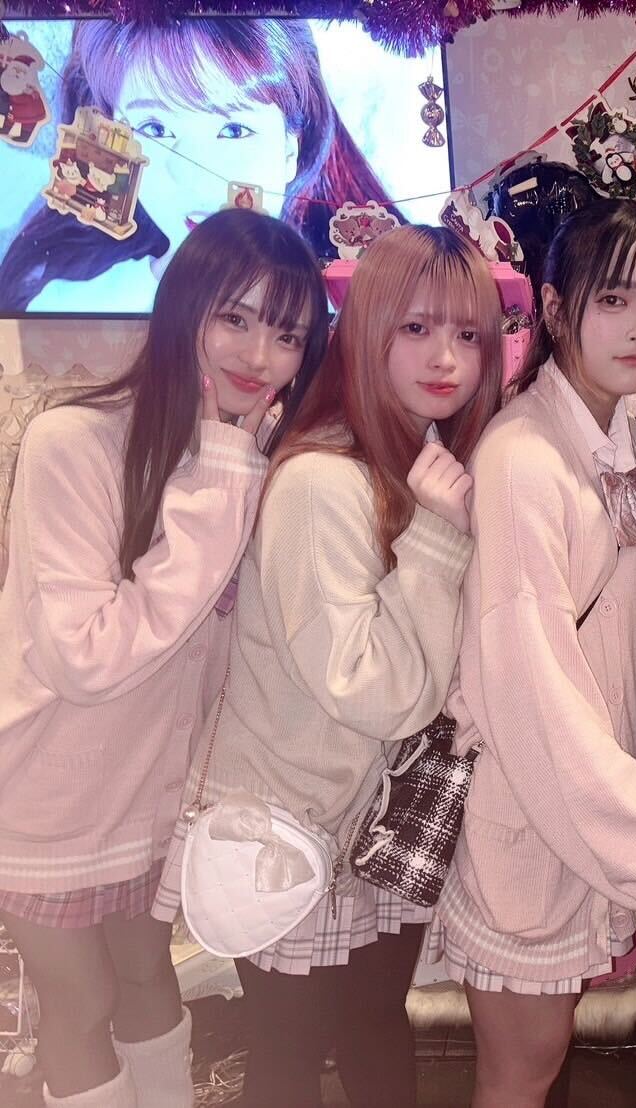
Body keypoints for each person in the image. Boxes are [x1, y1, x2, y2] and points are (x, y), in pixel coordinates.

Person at [149, 224, 502, 1108]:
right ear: (366, 327)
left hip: (370, 825)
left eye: (467, 334)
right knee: (289, 1058)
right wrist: (435, 542)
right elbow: (375, 691)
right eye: (415, 328)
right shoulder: (323, 479)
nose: (444, 358)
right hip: (290, 827)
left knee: (375, 1029)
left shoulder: (416, 462)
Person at [426, 199, 636, 1108]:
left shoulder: (629, 444)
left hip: (582, 807)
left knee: (541, 1069)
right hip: (530, 814)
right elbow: (529, 687)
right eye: (613, 300)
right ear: (555, 308)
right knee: (519, 1076)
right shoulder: (522, 456)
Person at [0, 207, 328, 1108]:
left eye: (287, 334)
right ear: (184, 307)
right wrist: (220, 481)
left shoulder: (247, 459)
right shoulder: (77, 442)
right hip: (49, 793)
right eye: (236, 318)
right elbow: (86, 658)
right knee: (82, 1003)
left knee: (150, 980)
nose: (259, 355)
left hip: (152, 794)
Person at [0, 18, 396, 312]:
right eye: (155, 129)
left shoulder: (365, 310)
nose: (190, 175)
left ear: (290, 151)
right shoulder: (70, 303)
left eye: (234, 130)